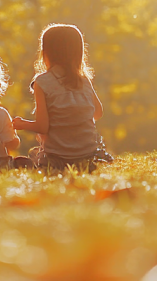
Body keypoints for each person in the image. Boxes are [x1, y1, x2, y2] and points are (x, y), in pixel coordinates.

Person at [13, 24, 113, 171]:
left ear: (46, 53)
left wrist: (21, 124)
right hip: (88, 156)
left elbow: (42, 127)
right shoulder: (83, 80)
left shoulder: (42, 82)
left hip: (57, 158)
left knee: (35, 153)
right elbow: (98, 113)